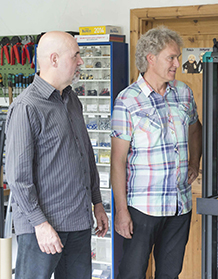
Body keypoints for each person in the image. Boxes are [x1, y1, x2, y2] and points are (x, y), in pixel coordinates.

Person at [5, 31, 109, 279]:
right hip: (42, 228)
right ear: (54, 59)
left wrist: (97, 203)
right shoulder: (26, 107)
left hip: (78, 222)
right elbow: (18, 177)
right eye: (76, 55)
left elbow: (85, 155)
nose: (81, 62)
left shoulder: (72, 99)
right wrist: (40, 224)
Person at [111, 26, 202, 279]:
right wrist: (121, 211)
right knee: (132, 273)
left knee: (170, 274)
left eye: (178, 57)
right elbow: (117, 161)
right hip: (142, 208)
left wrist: (195, 161)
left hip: (179, 205)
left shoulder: (183, 92)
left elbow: (196, 129)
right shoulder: (127, 100)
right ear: (150, 58)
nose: (177, 63)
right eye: (171, 57)